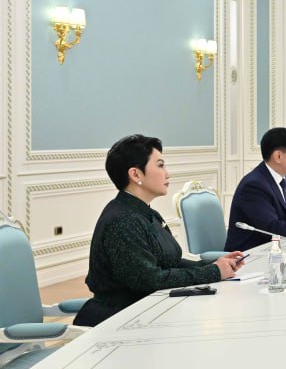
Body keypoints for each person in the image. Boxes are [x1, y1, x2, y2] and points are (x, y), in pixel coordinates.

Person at [74, 135, 243, 327]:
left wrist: (214, 264)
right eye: (160, 166)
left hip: (149, 311)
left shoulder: (145, 212)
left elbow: (170, 262)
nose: (167, 174)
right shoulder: (122, 220)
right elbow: (150, 280)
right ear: (136, 174)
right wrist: (213, 272)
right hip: (120, 322)